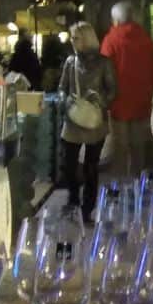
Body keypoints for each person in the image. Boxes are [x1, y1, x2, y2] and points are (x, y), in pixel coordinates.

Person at [57, 22, 118, 213]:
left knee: (91, 167)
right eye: (72, 38)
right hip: (73, 118)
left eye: (76, 38)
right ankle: (73, 199)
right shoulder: (70, 62)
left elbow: (113, 90)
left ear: (86, 39)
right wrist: (65, 101)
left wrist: (100, 102)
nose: (73, 42)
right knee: (68, 164)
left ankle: (87, 207)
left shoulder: (104, 63)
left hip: (94, 120)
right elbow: (62, 88)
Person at [100, 0, 153, 183]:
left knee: (119, 148)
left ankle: (120, 186)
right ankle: (138, 184)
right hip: (142, 104)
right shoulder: (146, 40)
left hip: (117, 104)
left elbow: (103, 73)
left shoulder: (110, 41)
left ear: (116, 20)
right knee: (138, 148)